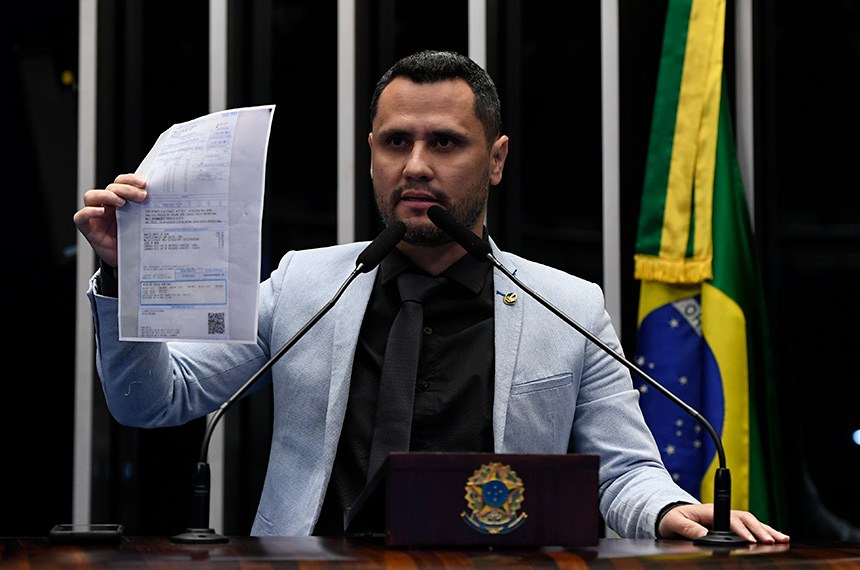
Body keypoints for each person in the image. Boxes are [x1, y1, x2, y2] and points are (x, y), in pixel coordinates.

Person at [74, 49, 789, 543]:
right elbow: (151, 401)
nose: (415, 166)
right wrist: (123, 278)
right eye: (395, 142)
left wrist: (668, 510)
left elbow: (627, 471)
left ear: (497, 158)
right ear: (371, 151)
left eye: (445, 143)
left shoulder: (566, 306)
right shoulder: (303, 285)